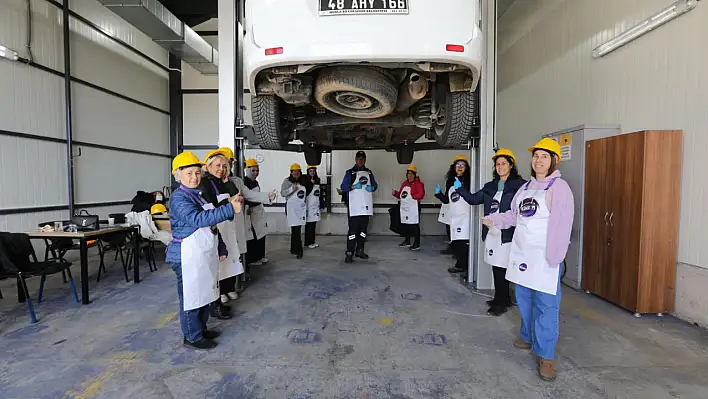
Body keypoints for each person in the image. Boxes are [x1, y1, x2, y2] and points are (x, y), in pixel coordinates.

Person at [483, 138, 574, 381]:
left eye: (544, 156)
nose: (538, 160)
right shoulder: (525, 188)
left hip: (545, 257)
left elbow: (564, 224)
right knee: (524, 299)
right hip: (522, 254)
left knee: (546, 305)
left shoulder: (559, 188)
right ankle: (527, 335)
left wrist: (555, 257)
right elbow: (513, 215)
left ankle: (546, 356)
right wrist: (496, 220)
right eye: (536, 156)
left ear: (553, 160)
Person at [166, 151, 242, 350]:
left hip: (200, 253)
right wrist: (229, 210)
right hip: (186, 255)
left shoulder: (197, 194)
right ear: (178, 175)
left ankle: (201, 329)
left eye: (197, 173)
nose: (194, 177)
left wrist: (221, 245)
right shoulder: (179, 198)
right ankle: (192, 337)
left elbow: (210, 225)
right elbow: (198, 220)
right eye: (189, 173)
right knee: (191, 297)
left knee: (204, 293)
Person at [456, 148, 526, 316]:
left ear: (511, 165)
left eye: (504, 163)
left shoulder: (520, 186)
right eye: (497, 164)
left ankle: (501, 302)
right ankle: (501, 298)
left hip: (508, 233)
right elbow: (473, 199)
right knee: (496, 266)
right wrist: (460, 189)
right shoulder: (490, 186)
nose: (500, 167)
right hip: (492, 232)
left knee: (503, 268)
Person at [218, 147, 277, 284]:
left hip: (236, 222)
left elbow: (249, 194)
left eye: (229, 163)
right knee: (222, 256)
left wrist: (267, 196)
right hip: (220, 223)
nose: (226, 166)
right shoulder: (210, 183)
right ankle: (223, 290)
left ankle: (231, 286)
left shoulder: (237, 181)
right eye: (222, 163)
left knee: (235, 252)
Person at [199, 149, 244, 319]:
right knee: (214, 271)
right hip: (214, 228)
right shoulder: (205, 183)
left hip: (226, 228)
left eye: (224, 166)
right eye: (217, 166)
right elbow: (211, 208)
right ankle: (215, 307)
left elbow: (235, 195)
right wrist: (229, 202)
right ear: (208, 166)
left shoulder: (221, 181)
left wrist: (227, 182)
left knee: (224, 266)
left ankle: (220, 300)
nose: (221, 169)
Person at [434, 155, 471, 276]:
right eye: (458, 165)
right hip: (454, 217)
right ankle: (461, 264)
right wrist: (439, 194)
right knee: (455, 243)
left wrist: (462, 187)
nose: (460, 167)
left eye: (462, 165)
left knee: (463, 243)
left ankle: (465, 267)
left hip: (465, 217)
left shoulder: (470, 181)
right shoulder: (451, 182)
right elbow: (447, 200)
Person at [340, 151, 378, 263]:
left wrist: (373, 187)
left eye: (363, 159)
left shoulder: (369, 172)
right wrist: (353, 186)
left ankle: (360, 250)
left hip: (366, 207)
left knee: (363, 231)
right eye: (359, 158)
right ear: (355, 160)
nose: (361, 161)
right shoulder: (350, 173)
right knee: (352, 232)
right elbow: (343, 187)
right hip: (354, 208)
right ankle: (349, 252)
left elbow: (374, 184)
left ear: (365, 160)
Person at [280, 163, 312, 259]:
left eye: (298, 171)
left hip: (300, 208)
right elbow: (282, 193)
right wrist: (291, 189)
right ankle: (298, 250)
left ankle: (294, 249)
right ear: (291, 172)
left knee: (296, 229)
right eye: (294, 171)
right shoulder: (287, 181)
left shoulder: (303, 181)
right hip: (291, 209)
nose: (296, 173)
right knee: (295, 229)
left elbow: (308, 190)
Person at [392, 165, 425, 250]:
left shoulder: (418, 184)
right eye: (408, 173)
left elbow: (421, 194)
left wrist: (412, 196)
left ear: (414, 174)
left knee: (414, 225)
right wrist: (395, 193)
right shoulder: (404, 183)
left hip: (414, 207)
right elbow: (401, 195)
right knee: (406, 224)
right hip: (405, 207)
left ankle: (417, 243)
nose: (410, 175)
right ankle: (407, 241)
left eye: (411, 174)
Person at [243, 158, 268, 266]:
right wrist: (247, 207)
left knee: (261, 234)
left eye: (257, 170)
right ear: (247, 170)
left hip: (259, 212)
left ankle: (260, 256)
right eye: (253, 171)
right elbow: (246, 197)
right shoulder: (244, 182)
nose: (255, 173)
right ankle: (252, 260)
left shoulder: (256, 182)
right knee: (252, 236)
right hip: (251, 213)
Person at [304, 165, 324, 249]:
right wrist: (310, 184)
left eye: (314, 171)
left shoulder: (317, 180)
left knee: (314, 224)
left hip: (316, 205)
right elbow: (306, 193)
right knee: (309, 225)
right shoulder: (305, 181)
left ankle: (312, 241)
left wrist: (321, 204)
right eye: (311, 171)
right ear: (308, 172)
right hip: (309, 206)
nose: (312, 172)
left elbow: (320, 194)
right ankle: (307, 242)